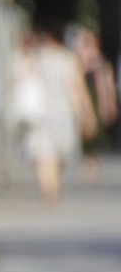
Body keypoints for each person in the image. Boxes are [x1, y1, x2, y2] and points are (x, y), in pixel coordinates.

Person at [11, 30, 93, 203]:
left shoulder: (36, 57)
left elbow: (22, 79)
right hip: (63, 113)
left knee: (42, 153)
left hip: (40, 112)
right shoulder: (68, 59)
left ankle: (47, 187)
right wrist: (86, 111)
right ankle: (53, 185)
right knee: (58, 154)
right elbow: (77, 87)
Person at [70, 26, 118, 180]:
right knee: (85, 131)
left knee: (98, 132)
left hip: (97, 99)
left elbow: (108, 85)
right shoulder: (77, 62)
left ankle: (94, 164)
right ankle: (87, 162)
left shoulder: (102, 63)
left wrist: (109, 103)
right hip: (84, 99)